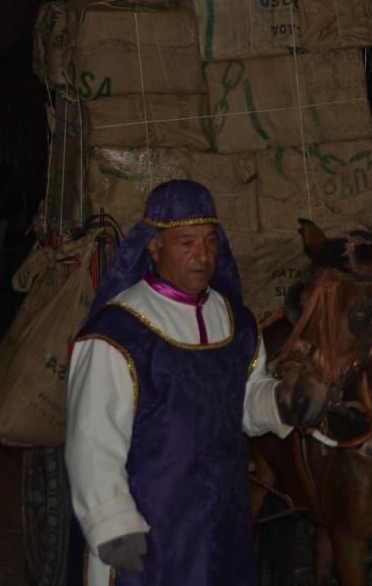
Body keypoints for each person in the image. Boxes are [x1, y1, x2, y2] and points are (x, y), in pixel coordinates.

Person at [64, 180, 293, 585]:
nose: (202, 256)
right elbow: (92, 440)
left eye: (210, 241)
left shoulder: (236, 322)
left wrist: (283, 401)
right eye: (185, 242)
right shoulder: (119, 332)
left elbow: (247, 401)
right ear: (154, 247)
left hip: (223, 526)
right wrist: (114, 526)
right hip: (151, 533)